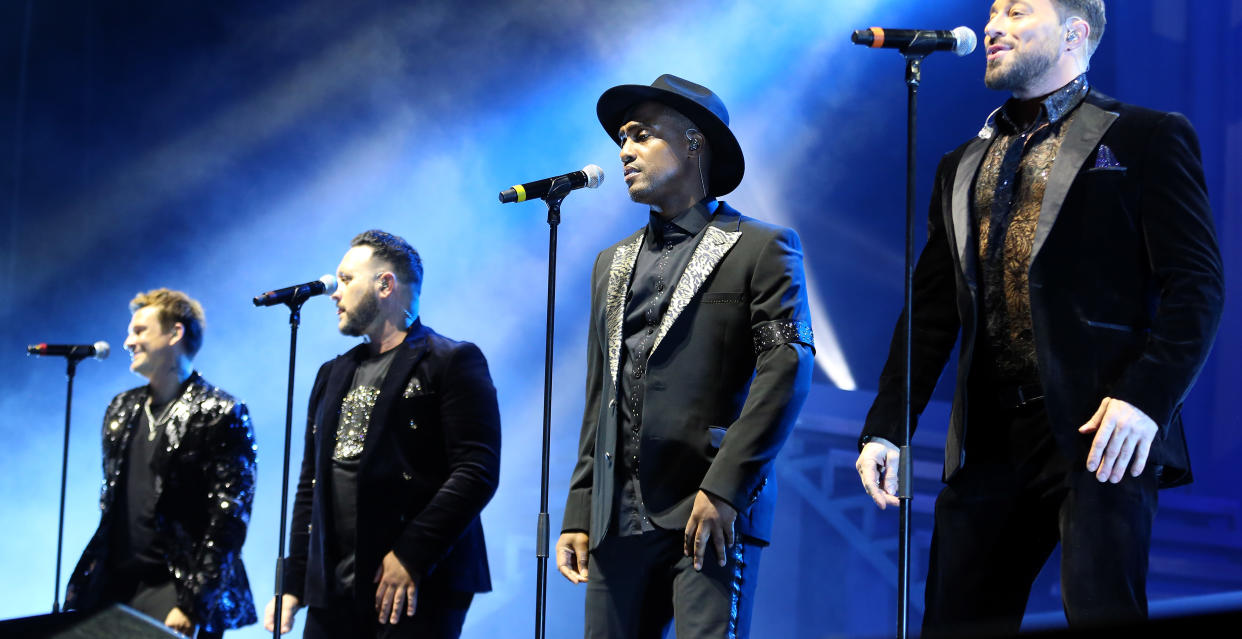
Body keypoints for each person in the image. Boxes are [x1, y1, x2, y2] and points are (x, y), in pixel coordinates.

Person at [855, 0, 1224, 635]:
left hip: (1097, 430)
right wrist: (887, 423)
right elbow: (932, 307)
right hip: (989, 438)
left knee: (1100, 611)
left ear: (1075, 35)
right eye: (993, 13)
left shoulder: (1143, 137)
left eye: (1015, 12)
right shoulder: (960, 164)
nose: (992, 26)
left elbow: (1198, 284)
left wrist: (1147, 397)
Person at [556, 74, 815, 638]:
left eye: (642, 135)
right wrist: (580, 508)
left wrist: (726, 487)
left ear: (694, 142)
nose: (625, 151)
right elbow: (600, 394)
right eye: (621, 138)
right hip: (616, 517)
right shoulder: (611, 262)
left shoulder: (760, 247)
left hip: (708, 506)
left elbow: (787, 369)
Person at [265, 229, 501, 638]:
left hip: (417, 580)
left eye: (346, 279)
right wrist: (293, 583)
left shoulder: (451, 361)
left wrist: (412, 553)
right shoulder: (332, 373)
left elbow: (476, 469)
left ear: (385, 284)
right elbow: (310, 486)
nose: (334, 293)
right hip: (334, 590)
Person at [66, 288, 258, 637]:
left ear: (175, 333)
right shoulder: (121, 409)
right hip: (116, 584)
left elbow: (229, 517)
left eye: (139, 331)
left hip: (176, 586)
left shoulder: (219, 411)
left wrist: (194, 602)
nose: (127, 342)